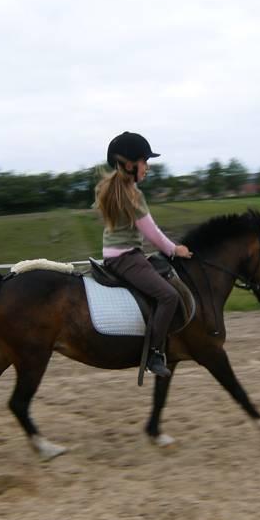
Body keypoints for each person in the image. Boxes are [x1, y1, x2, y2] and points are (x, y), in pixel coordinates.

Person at [94, 132, 193, 378]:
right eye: (144, 161)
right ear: (129, 165)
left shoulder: (112, 188)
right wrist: (175, 249)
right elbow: (153, 234)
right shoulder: (132, 195)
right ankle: (154, 354)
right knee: (169, 296)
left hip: (117, 255)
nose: (147, 167)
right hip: (126, 258)